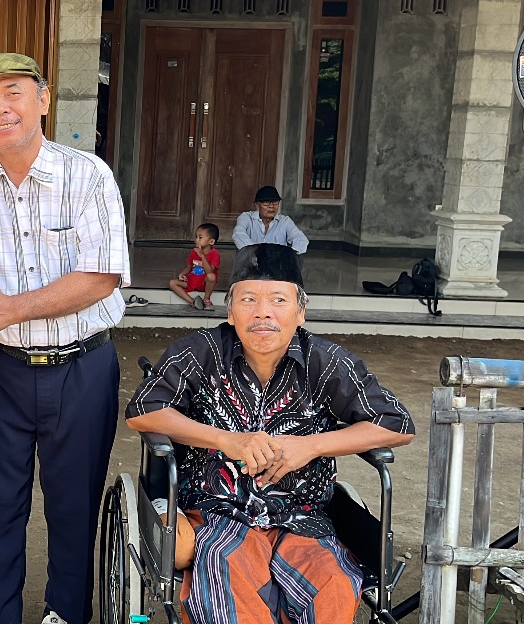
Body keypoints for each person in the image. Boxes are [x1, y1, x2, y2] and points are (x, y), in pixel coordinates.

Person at [126, 243, 415, 624]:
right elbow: (143, 410)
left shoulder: (325, 363)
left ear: (300, 312)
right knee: (229, 588)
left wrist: (312, 446)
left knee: (334, 586)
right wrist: (225, 439)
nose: (263, 312)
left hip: (304, 516)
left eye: (278, 300)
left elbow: (396, 424)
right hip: (220, 515)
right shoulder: (200, 352)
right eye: (249, 299)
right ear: (230, 312)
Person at [0, 53, 130, 624]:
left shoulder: (88, 175)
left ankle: (65, 613)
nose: (0, 108)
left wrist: (11, 308)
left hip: (82, 368)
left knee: (74, 505)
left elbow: (101, 276)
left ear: (44, 100)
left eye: (14, 92)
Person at [232, 185, 308, 254]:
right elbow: (238, 233)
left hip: (278, 262)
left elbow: (301, 238)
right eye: (266, 202)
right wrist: (255, 252)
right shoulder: (246, 217)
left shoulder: (285, 221)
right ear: (257, 205)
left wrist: (290, 254)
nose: (271, 206)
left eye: (275, 202)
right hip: (251, 261)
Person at [169, 222, 220, 311]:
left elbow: (209, 272)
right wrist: (182, 274)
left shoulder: (214, 254)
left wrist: (202, 256)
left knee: (211, 276)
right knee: (172, 283)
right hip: (192, 281)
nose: (196, 240)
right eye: (196, 237)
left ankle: (206, 299)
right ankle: (194, 302)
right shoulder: (194, 252)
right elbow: (189, 267)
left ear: (211, 241)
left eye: (200, 237)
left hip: (204, 283)